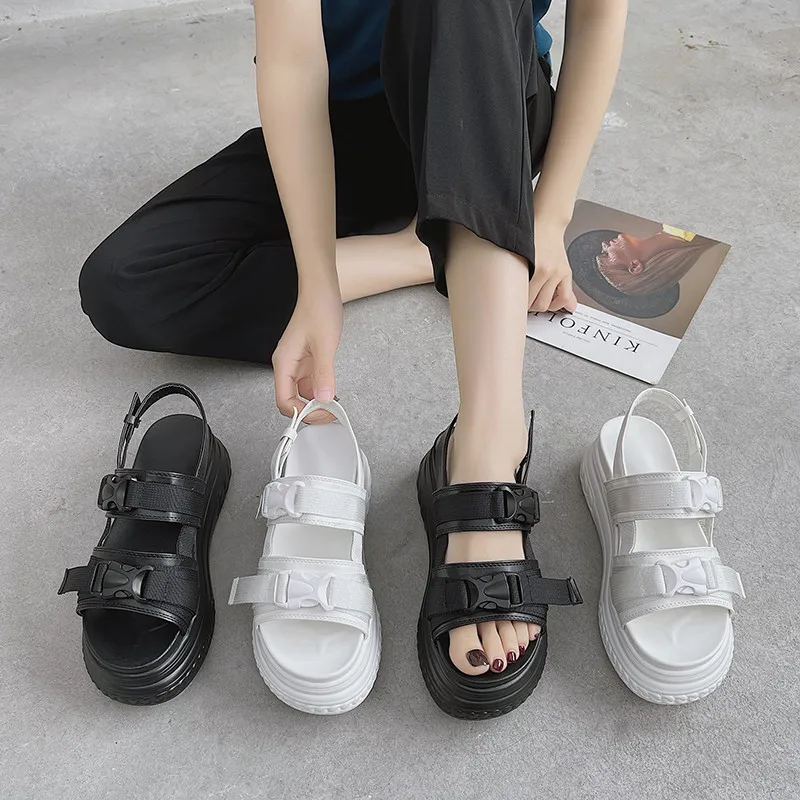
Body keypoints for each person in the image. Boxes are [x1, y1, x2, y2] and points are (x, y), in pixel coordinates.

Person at [79, 0, 628, 680]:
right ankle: (438, 246)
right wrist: (318, 284)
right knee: (125, 284)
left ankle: (488, 448)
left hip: (486, 102)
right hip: (349, 123)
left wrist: (550, 214)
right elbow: (291, 61)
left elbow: (599, 14)